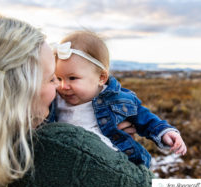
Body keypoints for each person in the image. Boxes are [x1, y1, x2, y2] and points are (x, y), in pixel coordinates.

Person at [0, 11, 154, 187]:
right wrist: (112, 152)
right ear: (19, 91)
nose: (60, 88)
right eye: (52, 78)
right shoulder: (59, 149)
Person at [52, 31, 187, 168]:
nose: (63, 86)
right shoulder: (54, 100)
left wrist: (164, 132)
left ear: (101, 78)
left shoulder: (117, 99)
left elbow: (145, 118)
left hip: (114, 165)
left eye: (72, 78)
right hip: (71, 165)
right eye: (58, 78)